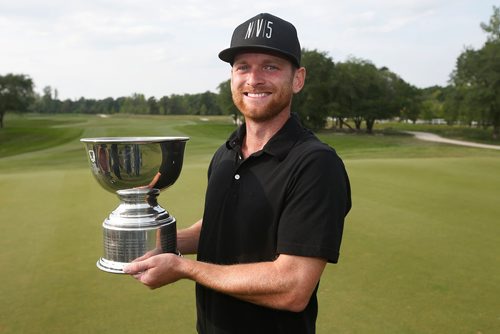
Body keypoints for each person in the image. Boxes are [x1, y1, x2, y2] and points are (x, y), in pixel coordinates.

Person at [124, 12, 351, 334]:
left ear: (297, 79)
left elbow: (293, 287)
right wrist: (151, 239)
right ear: (232, 76)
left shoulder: (315, 164)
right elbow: (219, 227)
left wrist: (184, 268)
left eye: (270, 66)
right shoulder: (227, 152)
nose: (254, 79)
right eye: (243, 67)